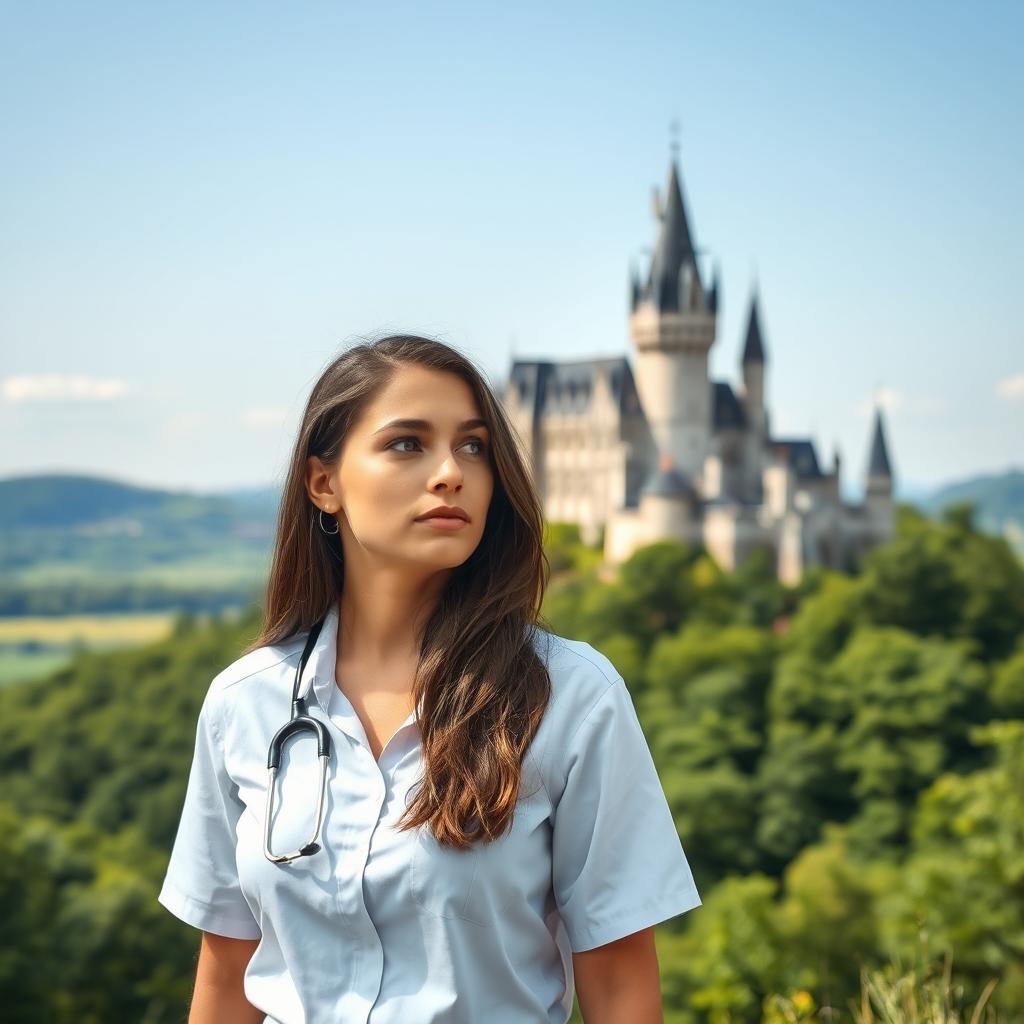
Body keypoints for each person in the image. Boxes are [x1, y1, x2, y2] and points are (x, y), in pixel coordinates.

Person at [158, 334, 701, 1023]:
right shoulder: (245, 703)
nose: (451, 472)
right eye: (407, 444)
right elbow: (227, 973)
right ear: (324, 483)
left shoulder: (571, 697)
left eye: (474, 447)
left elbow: (621, 985)